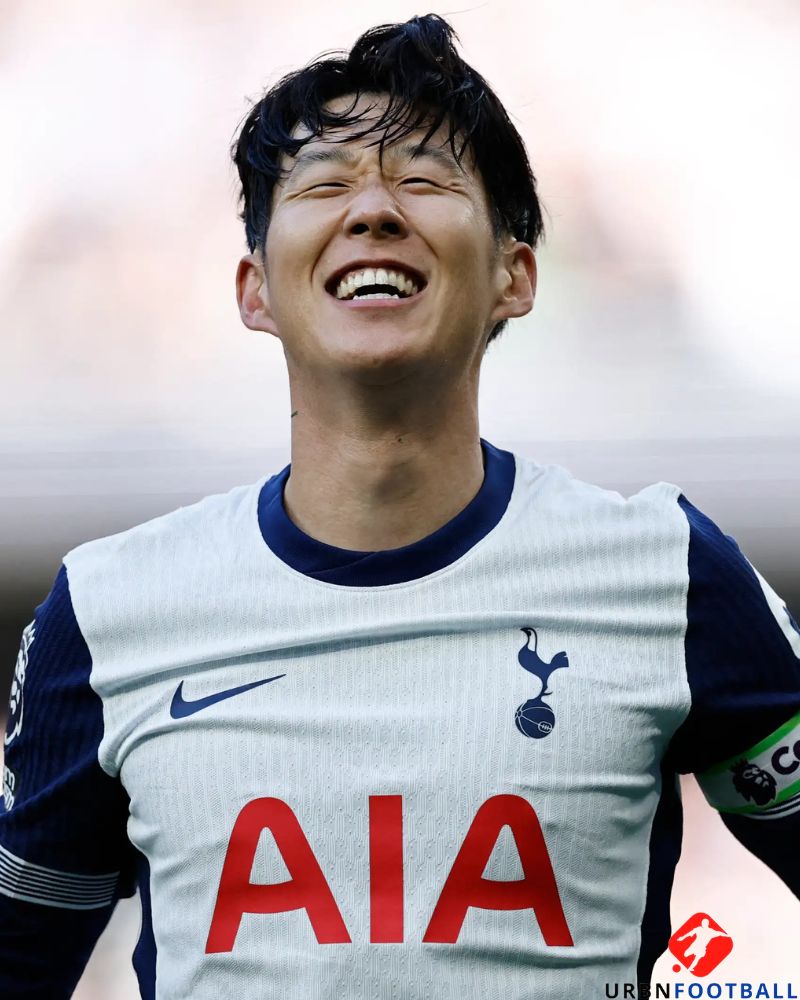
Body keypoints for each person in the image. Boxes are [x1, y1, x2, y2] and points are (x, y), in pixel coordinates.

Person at [1, 12, 798, 999]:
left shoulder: (667, 574)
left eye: (423, 179)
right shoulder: (108, 612)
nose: (373, 210)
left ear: (514, 276)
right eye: (324, 184)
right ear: (254, 289)